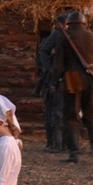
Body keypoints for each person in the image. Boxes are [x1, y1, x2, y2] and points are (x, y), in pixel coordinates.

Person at [52, 11, 93, 163]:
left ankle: (74, 153)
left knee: (71, 116)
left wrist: (54, 82)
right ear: (84, 23)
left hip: (72, 79)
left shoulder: (64, 37)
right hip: (92, 79)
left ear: (69, 23)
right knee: (92, 115)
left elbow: (58, 64)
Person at [36, 14, 68, 152]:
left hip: (65, 78)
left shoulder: (68, 36)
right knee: (53, 111)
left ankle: (62, 143)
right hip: (53, 79)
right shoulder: (57, 34)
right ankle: (54, 143)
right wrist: (50, 68)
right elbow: (42, 53)